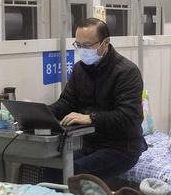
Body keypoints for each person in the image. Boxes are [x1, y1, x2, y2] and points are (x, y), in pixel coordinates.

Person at [48, 18, 146, 181]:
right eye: (78, 45)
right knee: (50, 167)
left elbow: (129, 117)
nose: (82, 50)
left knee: (73, 173)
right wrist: (43, 113)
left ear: (105, 42)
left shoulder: (126, 72)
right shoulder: (80, 69)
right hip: (88, 144)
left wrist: (90, 118)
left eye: (87, 46)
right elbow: (66, 102)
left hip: (121, 148)